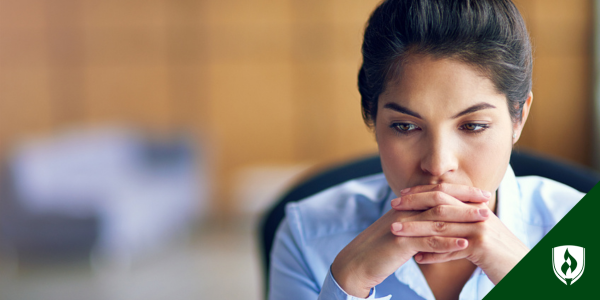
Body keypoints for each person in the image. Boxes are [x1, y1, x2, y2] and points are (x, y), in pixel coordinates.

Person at [268, 1, 584, 299]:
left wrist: (532, 282)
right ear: (372, 118)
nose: (438, 164)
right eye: (405, 126)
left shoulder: (579, 229)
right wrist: (346, 284)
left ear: (519, 117)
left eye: (472, 126)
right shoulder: (308, 235)